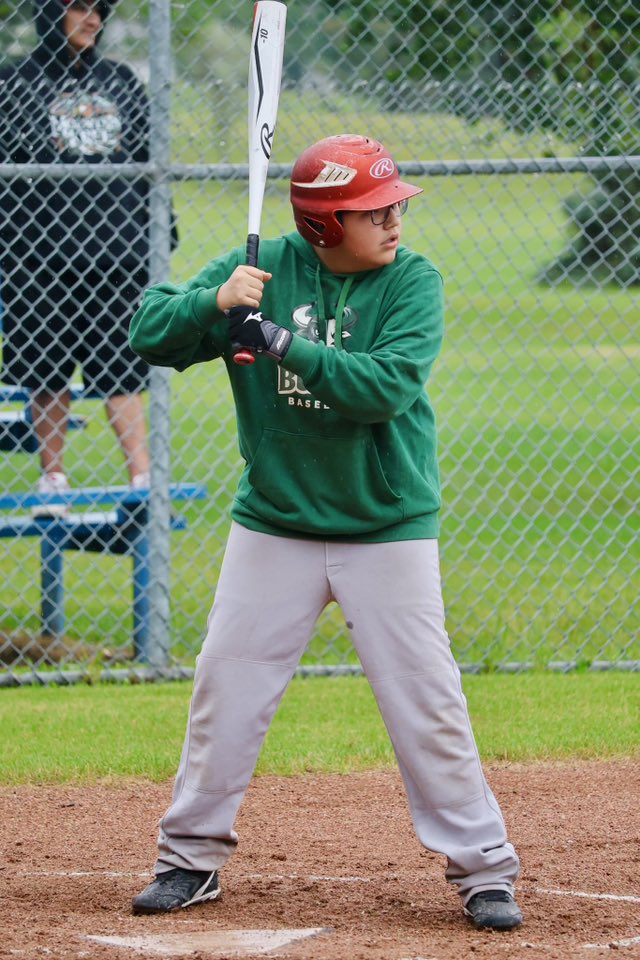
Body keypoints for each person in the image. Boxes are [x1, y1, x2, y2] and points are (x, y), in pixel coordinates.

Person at [128, 134, 523, 931]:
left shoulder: (413, 280)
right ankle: (189, 860)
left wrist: (279, 342)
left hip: (386, 524)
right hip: (276, 521)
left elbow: (383, 388)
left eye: (394, 206)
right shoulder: (262, 270)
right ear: (321, 224)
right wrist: (215, 304)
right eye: (373, 211)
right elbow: (149, 334)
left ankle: (484, 870)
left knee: (427, 702)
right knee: (226, 691)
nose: (394, 221)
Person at [0, 0, 167, 496]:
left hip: (116, 251)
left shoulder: (120, 79)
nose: (92, 19)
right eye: (78, 6)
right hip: (38, 254)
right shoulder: (14, 81)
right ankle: (53, 477)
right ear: (49, 11)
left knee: (124, 368)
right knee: (46, 368)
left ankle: (142, 478)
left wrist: (160, 230)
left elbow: (148, 159)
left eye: (99, 9)